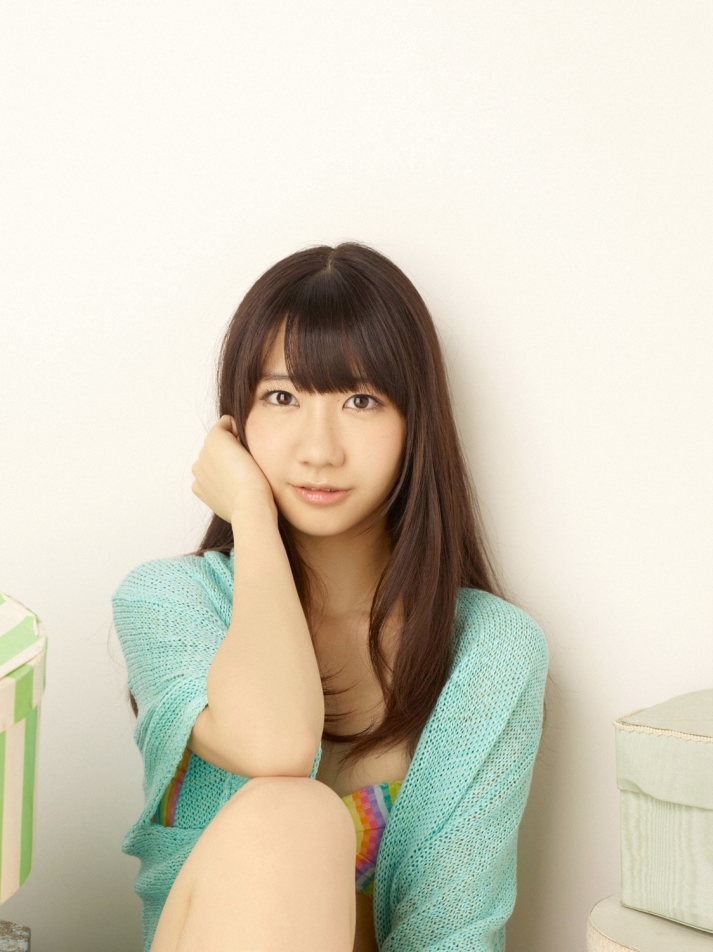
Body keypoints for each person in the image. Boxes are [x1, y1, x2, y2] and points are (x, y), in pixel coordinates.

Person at [112, 241, 549, 952]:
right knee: (291, 817)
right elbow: (278, 745)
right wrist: (251, 515)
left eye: (361, 400)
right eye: (281, 397)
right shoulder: (170, 603)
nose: (319, 449)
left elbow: (455, 933)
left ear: (414, 424)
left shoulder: (489, 651)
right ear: (236, 421)